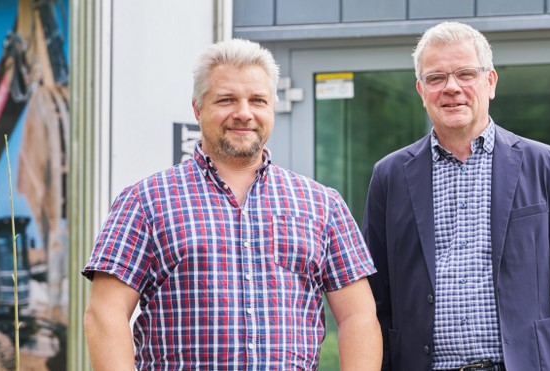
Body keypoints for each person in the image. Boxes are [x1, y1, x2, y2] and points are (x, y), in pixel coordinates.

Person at [82, 39, 382, 370]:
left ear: (272, 107)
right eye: (226, 100)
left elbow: (359, 316)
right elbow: (105, 314)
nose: (243, 113)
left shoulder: (323, 205)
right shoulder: (144, 202)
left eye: (257, 100)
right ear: (197, 108)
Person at [362, 22, 550, 371]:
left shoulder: (542, 164)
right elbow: (375, 300)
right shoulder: (390, 176)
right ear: (420, 90)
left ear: (490, 82)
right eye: (436, 78)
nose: (452, 88)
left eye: (465, 74)